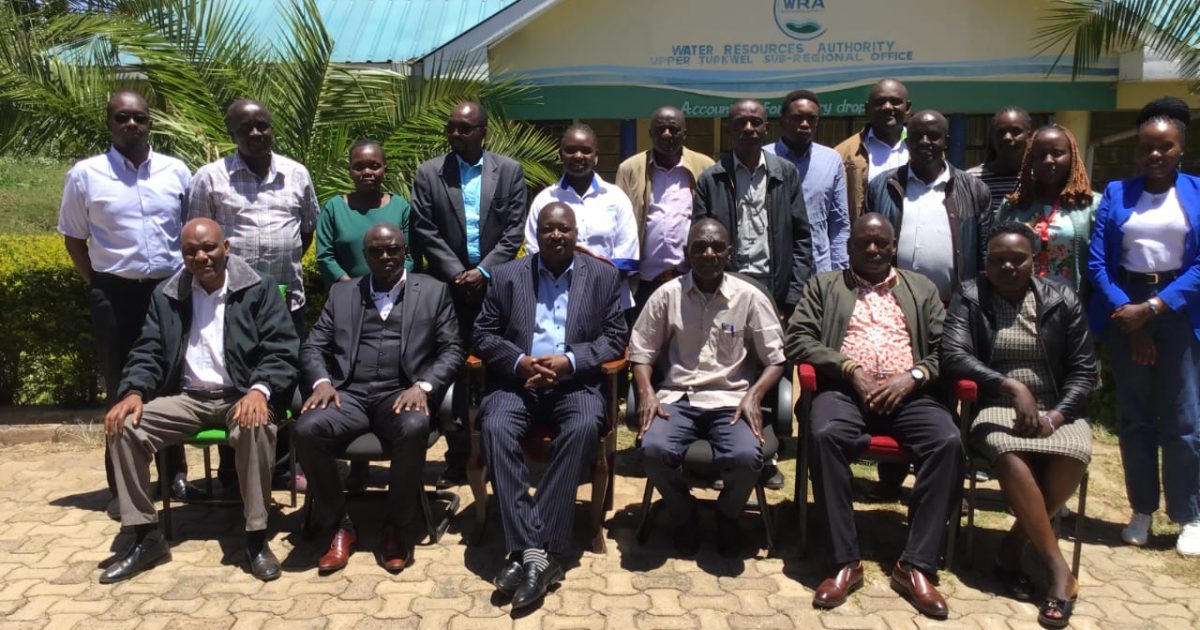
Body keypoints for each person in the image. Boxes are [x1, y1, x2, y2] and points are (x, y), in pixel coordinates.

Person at [99, 219, 300, 584]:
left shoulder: (259, 288)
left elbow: (282, 349)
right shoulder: (167, 294)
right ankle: (146, 536)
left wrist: (260, 389)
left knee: (256, 425)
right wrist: (133, 391)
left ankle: (256, 537)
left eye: (209, 248)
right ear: (183, 255)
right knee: (125, 426)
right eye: (191, 251)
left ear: (227, 248)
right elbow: (148, 350)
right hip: (188, 399)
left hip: (241, 395)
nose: (201, 257)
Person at [785, 213, 961, 619]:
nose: (872, 249)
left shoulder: (921, 289)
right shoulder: (825, 286)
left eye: (881, 242)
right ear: (849, 247)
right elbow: (798, 338)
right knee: (824, 434)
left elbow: (948, 349)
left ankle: (916, 565)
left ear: (893, 246)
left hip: (910, 394)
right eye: (863, 241)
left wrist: (913, 377)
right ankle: (844, 561)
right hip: (845, 392)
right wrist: (850, 370)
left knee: (948, 441)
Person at [943, 223, 1097, 627]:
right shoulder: (970, 295)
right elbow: (954, 355)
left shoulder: (1062, 298)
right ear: (986, 262)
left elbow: (1084, 370)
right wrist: (1010, 386)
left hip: (1057, 406)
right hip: (995, 405)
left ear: (1035, 260)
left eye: (1017, 259)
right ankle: (1059, 573)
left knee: (1073, 453)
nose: (1007, 266)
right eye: (997, 260)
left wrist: (1055, 416)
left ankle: (1012, 547)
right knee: (1010, 454)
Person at [476, 202, 628, 610]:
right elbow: (484, 334)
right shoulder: (508, 275)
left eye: (564, 229)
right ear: (536, 234)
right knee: (494, 426)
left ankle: (527, 550)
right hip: (518, 384)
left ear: (576, 233)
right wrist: (520, 362)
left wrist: (570, 362)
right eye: (548, 229)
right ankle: (540, 555)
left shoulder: (603, 276)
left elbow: (616, 337)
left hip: (574, 384)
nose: (556, 235)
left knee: (583, 426)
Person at [296, 223, 464, 574]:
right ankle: (339, 524)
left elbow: (452, 349)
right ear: (365, 255)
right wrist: (322, 383)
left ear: (405, 251)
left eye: (393, 249)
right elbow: (313, 345)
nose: (386, 256)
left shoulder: (433, 291)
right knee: (307, 428)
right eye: (376, 251)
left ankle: (396, 527)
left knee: (414, 425)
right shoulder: (343, 293)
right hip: (349, 395)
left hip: (400, 394)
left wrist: (424, 386)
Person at [58, 90, 196, 516]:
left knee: (171, 382)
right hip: (115, 293)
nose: (131, 124)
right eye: (122, 117)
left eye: (138, 117)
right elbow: (73, 239)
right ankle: (122, 484)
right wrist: (99, 284)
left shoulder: (176, 171)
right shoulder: (86, 174)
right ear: (109, 123)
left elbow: (190, 230)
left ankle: (174, 473)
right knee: (120, 386)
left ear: (150, 121)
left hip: (170, 291)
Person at [630, 218, 786, 558]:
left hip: (731, 400)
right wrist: (646, 392)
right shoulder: (667, 295)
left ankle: (727, 515)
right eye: (700, 247)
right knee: (652, 450)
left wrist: (755, 395)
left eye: (717, 247)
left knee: (747, 457)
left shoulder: (749, 297)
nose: (709, 254)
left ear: (729, 253)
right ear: (687, 253)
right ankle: (683, 514)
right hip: (678, 398)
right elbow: (641, 352)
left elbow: (776, 360)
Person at [1087, 96, 1200, 557]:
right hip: (1124, 310)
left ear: (1180, 148)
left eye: (1164, 146)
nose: (1155, 154)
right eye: (1146, 146)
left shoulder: (1197, 192)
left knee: (1183, 417)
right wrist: (1130, 317)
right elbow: (1098, 263)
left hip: (1178, 310)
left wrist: (1153, 309)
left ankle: (1189, 515)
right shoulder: (1116, 193)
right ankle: (1141, 510)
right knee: (1134, 418)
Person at [188, 98, 320, 491]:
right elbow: (197, 236)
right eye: (245, 127)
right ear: (231, 133)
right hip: (231, 307)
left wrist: (281, 259)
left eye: (262, 124)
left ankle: (280, 466)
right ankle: (233, 471)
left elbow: (305, 231)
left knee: (283, 383)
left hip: (286, 301)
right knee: (232, 380)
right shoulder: (210, 179)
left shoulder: (296, 174)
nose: (256, 133)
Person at [410, 101, 528, 487]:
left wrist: (484, 271)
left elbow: (514, 230)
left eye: (464, 128)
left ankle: (499, 453)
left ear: (483, 132)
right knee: (453, 371)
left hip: (496, 289)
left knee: (497, 369)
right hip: (449, 290)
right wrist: (458, 273)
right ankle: (458, 457)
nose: (455, 134)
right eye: (451, 128)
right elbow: (425, 229)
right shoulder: (429, 173)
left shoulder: (508, 171)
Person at [315, 139, 414, 491]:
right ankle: (357, 465)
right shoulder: (334, 208)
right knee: (352, 372)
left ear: (385, 168)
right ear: (350, 170)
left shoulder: (400, 207)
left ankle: (396, 462)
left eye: (374, 165)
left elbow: (410, 254)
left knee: (386, 373)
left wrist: (389, 288)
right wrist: (353, 290)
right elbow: (325, 255)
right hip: (349, 303)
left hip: (395, 299)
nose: (367, 172)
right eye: (359, 166)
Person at [693, 98, 813, 314]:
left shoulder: (786, 173)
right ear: (728, 130)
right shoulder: (711, 180)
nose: (749, 128)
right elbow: (700, 243)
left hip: (775, 286)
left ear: (766, 128)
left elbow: (801, 238)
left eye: (756, 122)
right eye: (741, 122)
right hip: (727, 285)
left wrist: (794, 295)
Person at [867, 109, 993, 304]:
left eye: (933, 136)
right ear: (907, 141)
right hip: (892, 305)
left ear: (946, 141)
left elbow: (985, 255)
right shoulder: (882, 186)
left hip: (955, 309)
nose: (925, 141)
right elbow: (866, 246)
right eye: (917, 136)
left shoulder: (975, 190)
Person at [524, 124, 639, 309]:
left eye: (586, 151)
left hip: (609, 300)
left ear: (596, 156)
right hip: (558, 300)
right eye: (571, 150)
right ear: (560, 155)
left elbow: (627, 255)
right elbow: (534, 250)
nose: (578, 156)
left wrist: (597, 287)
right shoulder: (544, 200)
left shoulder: (616, 198)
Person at [615, 106, 715, 316]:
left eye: (673, 129)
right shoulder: (630, 169)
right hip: (643, 283)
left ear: (684, 134)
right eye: (660, 129)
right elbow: (619, 224)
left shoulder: (705, 166)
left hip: (690, 280)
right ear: (650, 133)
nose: (667, 134)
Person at [997, 125, 1099, 293]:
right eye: (1040, 155)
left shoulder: (1092, 205)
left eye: (1057, 153)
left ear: (1072, 156)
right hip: (1022, 301)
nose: (1048, 160)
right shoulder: (1012, 205)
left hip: (1073, 302)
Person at [765, 89, 851, 272]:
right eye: (797, 118)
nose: (805, 124)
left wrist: (839, 271)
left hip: (818, 268)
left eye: (811, 119)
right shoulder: (763, 158)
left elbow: (839, 222)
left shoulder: (831, 160)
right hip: (774, 268)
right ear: (782, 121)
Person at [835, 78, 912, 221]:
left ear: (907, 107)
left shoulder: (922, 148)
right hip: (863, 233)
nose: (887, 107)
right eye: (879, 102)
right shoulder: (842, 153)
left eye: (895, 101)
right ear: (867, 109)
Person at [967, 106, 1033, 212]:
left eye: (1016, 131)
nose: (1007, 137)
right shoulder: (971, 179)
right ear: (992, 137)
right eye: (1001, 131)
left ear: (1029, 137)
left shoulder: (1037, 178)